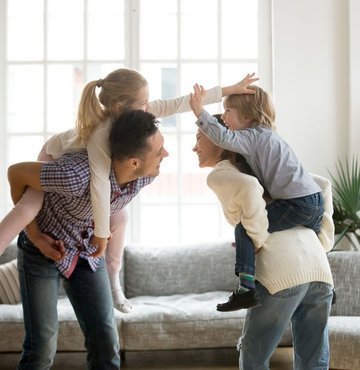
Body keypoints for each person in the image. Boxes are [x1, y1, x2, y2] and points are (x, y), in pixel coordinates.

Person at [0, 68, 258, 314]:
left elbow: (178, 103)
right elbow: (99, 184)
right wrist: (101, 235)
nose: (149, 106)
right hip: (52, 156)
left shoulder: (135, 114)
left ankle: (114, 282)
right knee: (27, 209)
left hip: (82, 178)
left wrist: (229, 90)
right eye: (143, 102)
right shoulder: (101, 133)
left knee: (121, 217)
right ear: (121, 107)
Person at [8, 109, 167, 369]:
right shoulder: (74, 175)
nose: (166, 155)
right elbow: (16, 173)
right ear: (134, 162)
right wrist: (36, 236)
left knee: (105, 341)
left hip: (86, 252)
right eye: (159, 151)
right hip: (42, 250)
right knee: (42, 346)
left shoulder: (145, 176)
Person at [192, 117, 335, 369]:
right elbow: (322, 184)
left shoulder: (222, 173)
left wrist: (256, 236)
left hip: (280, 274)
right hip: (319, 270)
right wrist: (322, 241)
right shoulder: (262, 167)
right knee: (314, 361)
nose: (194, 147)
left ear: (217, 137)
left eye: (198, 137)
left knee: (254, 357)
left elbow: (248, 189)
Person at [190, 83, 325, 311]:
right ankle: (326, 289)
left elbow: (222, 138)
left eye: (228, 112)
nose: (224, 117)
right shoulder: (270, 136)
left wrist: (198, 111)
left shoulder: (250, 137)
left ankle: (246, 289)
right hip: (315, 201)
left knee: (245, 228)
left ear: (247, 116)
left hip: (297, 203)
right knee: (311, 243)